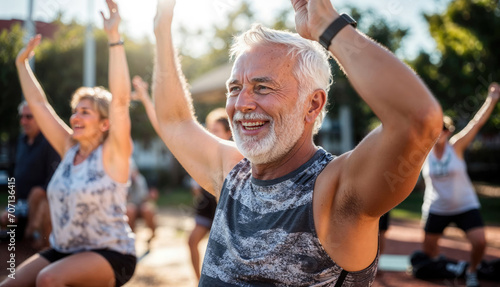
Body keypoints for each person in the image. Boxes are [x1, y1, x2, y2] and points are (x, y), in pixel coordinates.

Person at [153, 0, 442, 285]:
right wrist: (162, 27)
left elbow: (417, 121)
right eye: (235, 88)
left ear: (312, 105)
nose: (241, 103)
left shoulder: (333, 192)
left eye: (262, 87)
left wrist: (328, 25)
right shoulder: (233, 173)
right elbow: (174, 121)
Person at [1, 1, 136, 286]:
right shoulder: (68, 148)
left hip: (112, 254)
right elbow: (38, 103)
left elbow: (121, 102)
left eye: (85, 112)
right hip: (65, 249)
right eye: (75, 110)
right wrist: (21, 64)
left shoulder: (114, 153)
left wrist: (114, 38)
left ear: (105, 123)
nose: (75, 116)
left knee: (48, 279)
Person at [421, 83, 500, 287]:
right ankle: (450, 267)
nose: (440, 132)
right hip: (437, 207)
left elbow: (476, 123)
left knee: (480, 242)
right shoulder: (423, 152)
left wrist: (491, 100)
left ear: (448, 132)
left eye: (444, 129)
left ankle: (472, 270)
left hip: (464, 205)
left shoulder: (456, 146)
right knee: (429, 250)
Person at [0, 101, 60, 250]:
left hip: (42, 204)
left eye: (28, 117)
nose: (23, 121)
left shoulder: (49, 142)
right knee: (4, 219)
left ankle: (34, 237)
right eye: (21, 117)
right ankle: (23, 234)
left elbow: (54, 180)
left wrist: (38, 195)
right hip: (21, 202)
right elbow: (15, 176)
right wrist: (12, 205)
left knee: (37, 193)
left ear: (39, 118)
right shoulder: (22, 140)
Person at [187, 108, 232, 280]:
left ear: (228, 133)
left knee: (223, 250)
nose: (210, 135)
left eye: (215, 131)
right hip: (207, 204)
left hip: (226, 207)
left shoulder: (234, 156)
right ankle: (198, 281)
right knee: (192, 241)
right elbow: (196, 186)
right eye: (209, 130)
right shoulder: (204, 156)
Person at [126, 159, 157, 242]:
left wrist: (151, 196)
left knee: (147, 210)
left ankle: (153, 234)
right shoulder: (124, 180)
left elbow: (144, 196)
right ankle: (131, 236)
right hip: (130, 204)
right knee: (130, 211)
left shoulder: (140, 179)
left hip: (141, 203)